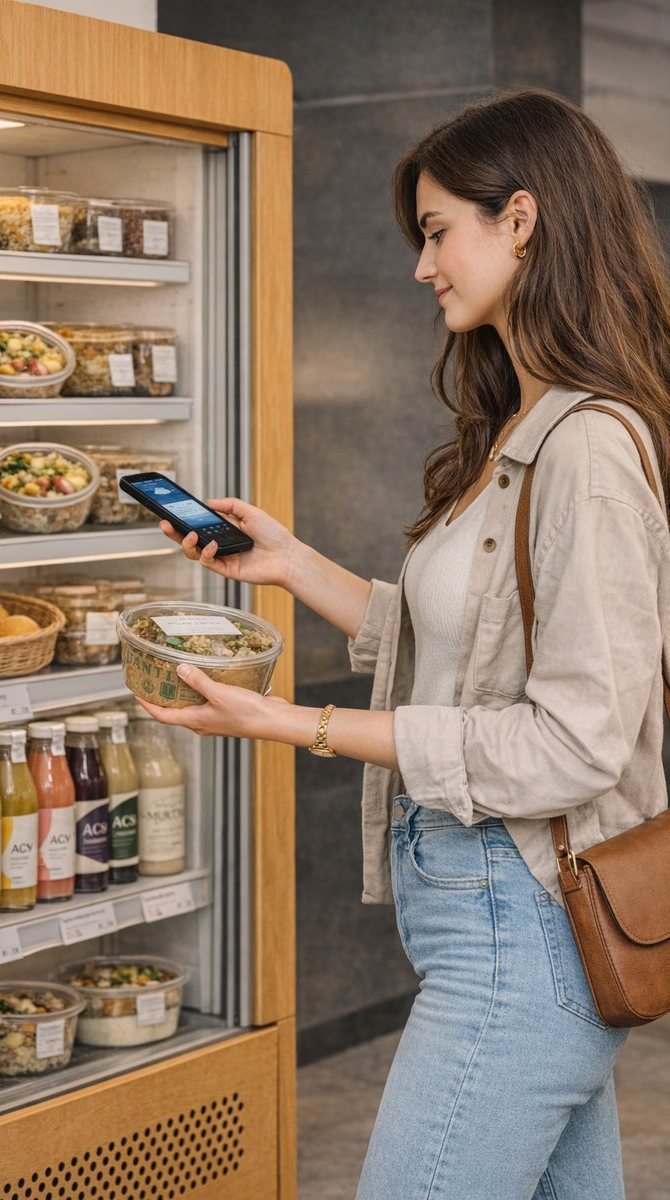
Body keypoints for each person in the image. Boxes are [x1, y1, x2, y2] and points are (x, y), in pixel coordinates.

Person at [138, 89, 670, 1199]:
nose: (421, 266)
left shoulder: (587, 448)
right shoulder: (529, 425)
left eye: (437, 231)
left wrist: (297, 724)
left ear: (519, 219)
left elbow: (573, 740)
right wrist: (292, 567)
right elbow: (468, 646)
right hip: (492, 921)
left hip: (517, 932)